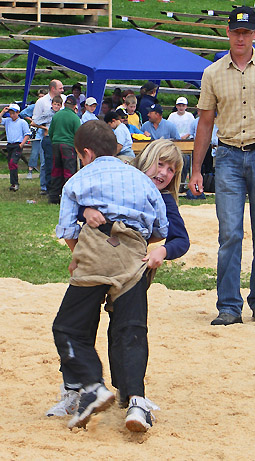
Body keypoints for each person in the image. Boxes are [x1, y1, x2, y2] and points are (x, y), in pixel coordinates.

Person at [48, 138, 189, 431]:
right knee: (82, 323)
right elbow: (83, 202)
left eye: (172, 170)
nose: (163, 173)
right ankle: (76, 390)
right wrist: (85, 212)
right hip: (104, 261)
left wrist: (161, 250)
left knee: (125, 329)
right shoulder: (117, 178)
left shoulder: (162, 198)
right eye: (160, 164)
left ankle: (130, 396)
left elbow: (179, 239)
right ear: (145, 158)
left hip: (131, 266)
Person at [189, 6, 255, 326]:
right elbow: (205, 123)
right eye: (236, 31)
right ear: (227, 31)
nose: (240, 37)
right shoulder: (213, 73)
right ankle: (229, 306)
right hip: (228, 158)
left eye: (246, 32)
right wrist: (196, 169)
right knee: (230, 233)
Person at [48, 95, 81, 204]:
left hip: (56, 144)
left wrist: (55, 141)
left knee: (56, 170)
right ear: (74, 106)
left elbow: (50, 132)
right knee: (68, 172)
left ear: (65, 104)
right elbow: (78, 135)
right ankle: (68, 197)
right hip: (68, 146)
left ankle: (53, 197)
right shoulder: (75, 118)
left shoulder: (57, 116)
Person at [30, 95, 63, 192]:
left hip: (57, 139)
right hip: (48, 138)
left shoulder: (60, 114)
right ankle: (47, 186)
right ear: (52, 104)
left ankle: (56, 185)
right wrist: (45, 128)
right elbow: (34, 122)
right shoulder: (48, 114)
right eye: (55, 104)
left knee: (57, 162)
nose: (56, 106)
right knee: (48, 163)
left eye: (58, 105)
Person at [0, 103, 31, 191]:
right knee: (10, 163)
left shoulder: (22, 122)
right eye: (10, 113)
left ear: (18, 113)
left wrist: (21, 144)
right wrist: (3, 112)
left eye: (14, 113)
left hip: (17, 145)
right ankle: (13, 182)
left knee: (13, 162)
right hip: (10, 145)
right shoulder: (7, 121)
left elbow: (27, 134)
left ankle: (15, 183)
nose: (12, 115)